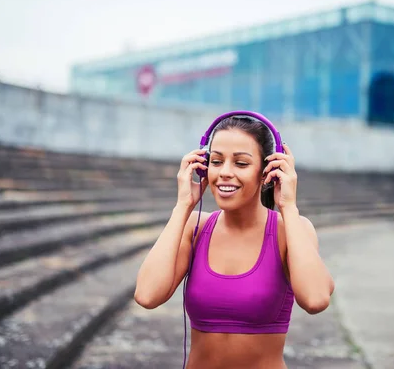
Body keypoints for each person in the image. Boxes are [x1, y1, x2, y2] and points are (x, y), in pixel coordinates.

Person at [134, 114, 335, 369]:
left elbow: (316, 299)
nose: (225, 173)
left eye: (241, 163)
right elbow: (147, 295)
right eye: (216, 161)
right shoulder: (194, 229)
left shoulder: (291, 230)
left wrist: (289, 206)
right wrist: (183, 206)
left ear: (266, 171)